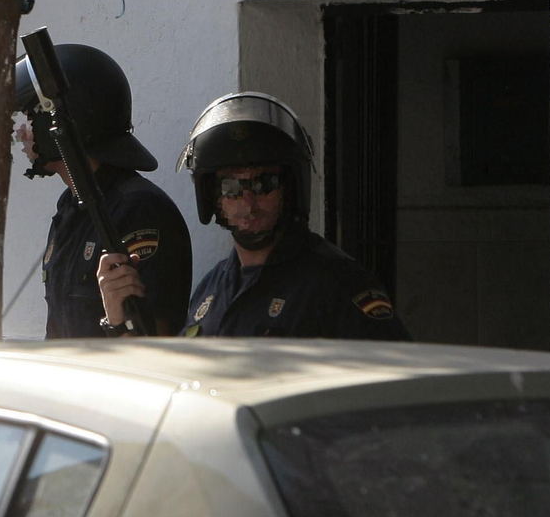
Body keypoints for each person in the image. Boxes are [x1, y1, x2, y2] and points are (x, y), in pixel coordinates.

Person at [98, 92, 409, 341]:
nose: (248, 201)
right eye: (231, 186)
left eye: (264, 183)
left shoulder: (337, 284)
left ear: (290, 189)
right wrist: (119, 317)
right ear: (213, 197)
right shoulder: (212, 289)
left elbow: (394, 390)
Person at [14, 44, 192, 337]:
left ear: (66, 120)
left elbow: (154, 343)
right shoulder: (72, 206)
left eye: (32, 118)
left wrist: (118, 319)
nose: (23, 132)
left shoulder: (137, 210)